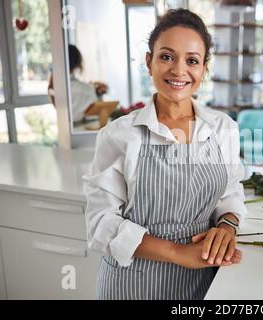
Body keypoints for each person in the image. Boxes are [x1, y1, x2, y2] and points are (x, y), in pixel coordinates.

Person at [83, 9, 247, 300]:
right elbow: (101, 222)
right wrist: (178, 252)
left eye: (192, 60)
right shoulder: (118, 135)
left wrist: (227, 225)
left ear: (204, 68)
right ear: (149, 62)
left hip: (202, 281)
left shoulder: (223, 129)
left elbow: (230, 191)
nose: (179, 70)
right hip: (131, 284)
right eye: (167, 56)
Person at [48, 44, 110, 124]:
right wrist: (96, 90)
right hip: (83, 130)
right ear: (78, 62)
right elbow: (98, 111)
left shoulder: (55, 88)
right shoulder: (85, 89)